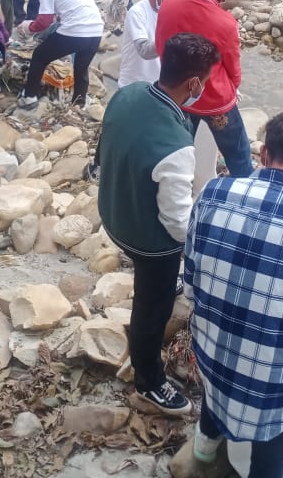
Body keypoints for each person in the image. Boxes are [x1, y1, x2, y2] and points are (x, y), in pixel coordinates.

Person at [184, 111, 283, 478]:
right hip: (271, 383)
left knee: (216, 392)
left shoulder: (213, 192)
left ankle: (202, 455)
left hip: (210, 354)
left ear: (264, 153)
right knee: (271, 458)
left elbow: (191, 281)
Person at [98, 32, 221, 416]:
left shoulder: (129, 94)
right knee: (152, 310)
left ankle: (166, 286)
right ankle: (149, 380)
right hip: (149, 242)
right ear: (194, 83)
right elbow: (176, 223)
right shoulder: (176, 146)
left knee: (158, 287)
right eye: (206, 81)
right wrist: (206, 246)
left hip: (114, 210)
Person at [154, 0, 251, 178]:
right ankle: (245, 189)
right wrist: (232, 87)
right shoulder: (226, 23)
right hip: (214, 100)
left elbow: (161, 46)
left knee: (178, 149)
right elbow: (233, 68)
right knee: (239, 155)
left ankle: (176, 185)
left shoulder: (169, 5)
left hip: (177, 94)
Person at [16, 0, 104, 109]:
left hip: (75, 31)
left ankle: (29, 97)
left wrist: (28, 27)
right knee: (81, 67)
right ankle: (79, 103)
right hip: (96, 30)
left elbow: (45, 21)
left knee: (39, 56)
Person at [118, 0, 188, 89]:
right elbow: (144, 50)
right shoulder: (137, 12)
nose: (175, 5)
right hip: (133, 84)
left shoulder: (173, 14)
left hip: (158, 84)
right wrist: (171, 34)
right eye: (171, 0)